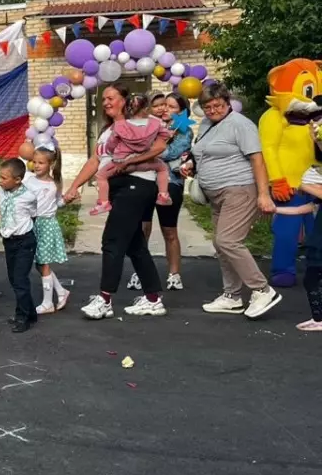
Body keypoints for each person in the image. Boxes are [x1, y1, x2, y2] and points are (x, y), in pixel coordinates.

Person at [63, 83, 167, 319]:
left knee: (112, 241)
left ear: (125, 100)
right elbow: (95, 161)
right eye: (103, 100)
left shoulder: (141, 123)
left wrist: (129, 162)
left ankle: (105, 300)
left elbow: (160, 147)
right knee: (134, 245)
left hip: (137, 183)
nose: (106, 102)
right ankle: (153, 299)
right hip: (119, 186)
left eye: (111, 98)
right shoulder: (108, 130)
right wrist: (74, 186)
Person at [183, 82, 281, 318]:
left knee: (228, 240)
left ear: (227, 103)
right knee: (220, 243)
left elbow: (257, 159)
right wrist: (190, 165)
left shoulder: (240, 125)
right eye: (208, 107)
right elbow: (204, 153)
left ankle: (262, 289)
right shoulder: (207, 124)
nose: (212, 110)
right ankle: (232, 296)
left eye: (217, 105)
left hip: (239, 190)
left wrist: (264, 194)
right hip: (216, 195)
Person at [128, 93, 193, 292]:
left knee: (169, 230)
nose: (165, 109)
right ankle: (141, 272)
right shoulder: (151, 126)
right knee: (142, 229)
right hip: (145, 181)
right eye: (164, 105)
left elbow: (169, 153)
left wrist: (148, 151)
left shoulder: (184, 131)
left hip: (171, 183)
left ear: (181, 112)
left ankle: (174, 275)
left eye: (172, 107)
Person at [91, 93, 173, 215]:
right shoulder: (155, 124)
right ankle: (163, 195)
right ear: (146, 108)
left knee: (101, 176)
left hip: (121, 163)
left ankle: (103, 202)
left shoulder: (120, 125)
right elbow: (165, 134)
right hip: (145, 162)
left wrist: (111, 151)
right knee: (162, 168)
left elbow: (111, 144)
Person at [0, 158, 41, 333]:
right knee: (14, 279)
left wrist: (23, 230)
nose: (0, 181)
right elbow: (0, 210)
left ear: (18, 180)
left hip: (24, 241)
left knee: (20, 279)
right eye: (0, 177)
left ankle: (23, 317)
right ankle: (30, 312)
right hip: (9, 241)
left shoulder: (28, 196)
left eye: (4, 178)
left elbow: (33, 215)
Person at [27, 147, 72, 315]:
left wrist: (66, 200)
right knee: (39, 264)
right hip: (32, 224)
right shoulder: (29, 180)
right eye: (35, 162)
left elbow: (54, 205)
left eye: (41, 163)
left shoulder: (52, 185)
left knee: (43, 263)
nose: (37, 166)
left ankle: (47, 303)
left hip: (45, 225)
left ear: (50, 164)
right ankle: (61, 291)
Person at [295, 152, 322, 331]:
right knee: (311, 278)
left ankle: (319, 320)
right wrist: (277, 210)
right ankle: (318, 319)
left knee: (312, 278)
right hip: (318, 241)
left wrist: (300, 180)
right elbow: (309, 207)